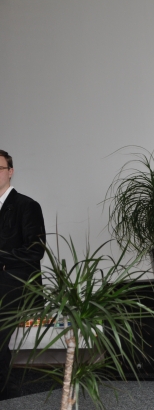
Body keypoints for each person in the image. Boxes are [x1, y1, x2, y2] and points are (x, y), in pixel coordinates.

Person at [0, 150, 45, 400]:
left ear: (10, 172)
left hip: (15, 286)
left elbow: (35, 250)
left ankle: (6, 395)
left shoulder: (27, 206)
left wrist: (2, 259)